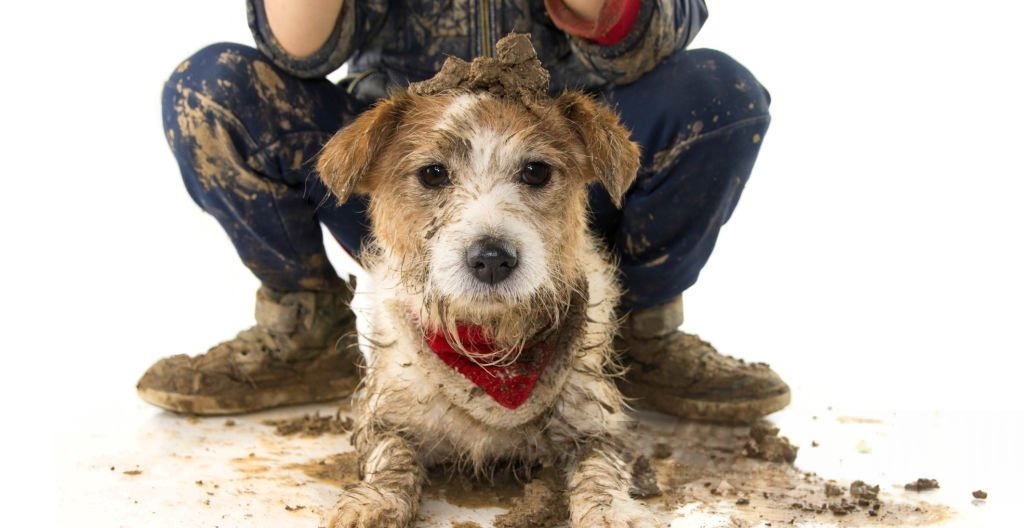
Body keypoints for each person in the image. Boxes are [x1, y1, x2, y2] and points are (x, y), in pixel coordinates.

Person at [138, 0, 790, 423]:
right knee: (213, 92)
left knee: (718, 95)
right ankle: (304, 332)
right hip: (411, 178)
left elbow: (646, 42)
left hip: (555, 178)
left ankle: (635, 335)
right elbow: (296, 48)